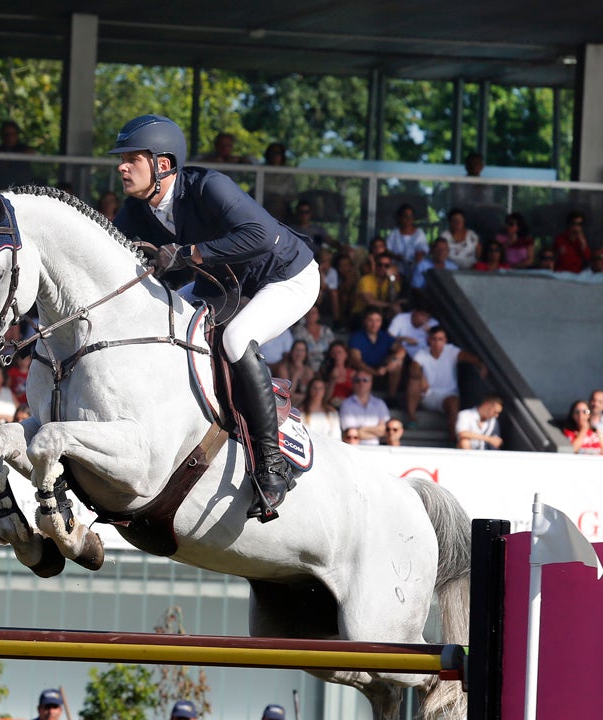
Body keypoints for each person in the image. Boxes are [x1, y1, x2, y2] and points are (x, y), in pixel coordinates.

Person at [110, 115, 318, 519]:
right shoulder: (136, 210)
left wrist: (188, 254)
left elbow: (259, 234)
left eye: (131, 158)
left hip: (283, 276)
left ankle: (273, 464)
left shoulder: (209, 186)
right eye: (121, 159)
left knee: (236, 340)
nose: (121, 166)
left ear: (163, 164)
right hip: (222, 284)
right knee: (159, 323)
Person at [405, 325, 487, 438]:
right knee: (414, 381)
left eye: (440, 339)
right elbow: (414, 367)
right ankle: (412, 418)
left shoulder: (451, 351)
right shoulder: (422, 353)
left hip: (447, 396)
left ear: (445, 341)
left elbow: (467, 356)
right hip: (427, 394)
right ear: (429, 340)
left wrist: (480, 365)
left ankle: (453, 439)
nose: (437, 342)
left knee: (454, 402)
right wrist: (421, 376)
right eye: (434, 339)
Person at [348, 307, 405, 394]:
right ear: (364, 321)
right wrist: (374, 372)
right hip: (364, 370)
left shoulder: (384, 335)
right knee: (360, 371)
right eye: (370, 320)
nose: (374, 324)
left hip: (382, 369)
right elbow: (357, 362)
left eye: (378, 320)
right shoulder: (357, 337)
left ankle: (391, 396)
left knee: (397, 363)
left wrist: (392, 361)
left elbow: (401, 349)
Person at [338, 369, 390, 446]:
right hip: (354, 448)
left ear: (371, 383)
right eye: (357, 380)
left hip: (377, 449)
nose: (361, 383)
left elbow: (385, 431)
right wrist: (377, 430)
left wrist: (362, 430)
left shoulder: (380, 404)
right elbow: (352, 433)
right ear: (353, 383)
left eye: (365, 380)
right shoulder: (346, 404)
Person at [385, 203, 428, 278]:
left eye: (411, 216)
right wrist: (396, 256)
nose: (408, 219)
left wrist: (419, 255)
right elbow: (387, 250)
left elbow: (423, 249)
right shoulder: (394, 234)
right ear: (400, 218)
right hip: (397, 269)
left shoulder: (420, 233)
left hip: (415, 269)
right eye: (406, 216)